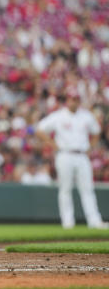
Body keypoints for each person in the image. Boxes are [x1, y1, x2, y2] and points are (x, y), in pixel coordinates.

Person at [36, 88, 108, 229]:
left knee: (87, 189)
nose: (73, 101)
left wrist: (91, 146)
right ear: (67, 100)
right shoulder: (59, 116)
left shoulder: (86, 116)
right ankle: (68, 222)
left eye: (75, 99)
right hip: (65, 154)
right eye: (70, 99)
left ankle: (94, 221)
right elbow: (40, 129)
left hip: (82, 155)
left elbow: (97, 132)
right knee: (65, 189)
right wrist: (53, 144)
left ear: (78, 101)